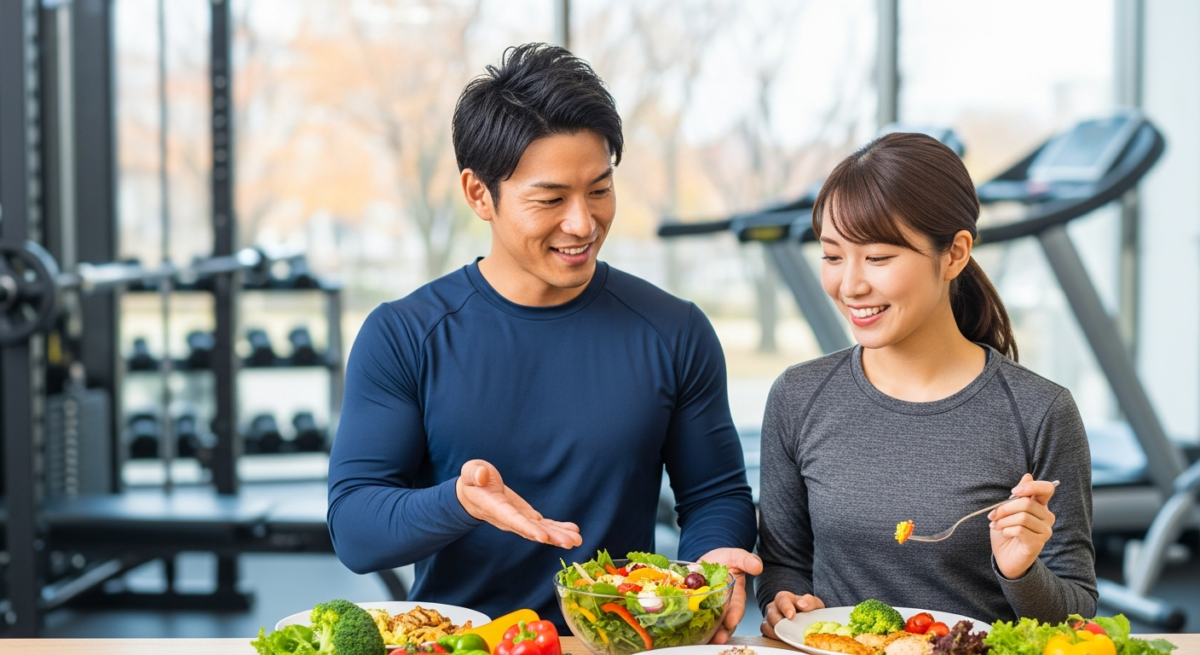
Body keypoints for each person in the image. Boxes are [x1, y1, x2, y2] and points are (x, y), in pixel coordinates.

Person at [327, 43, 759, 638]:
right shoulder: (403, 335)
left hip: (616, 643)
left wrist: (713, 560)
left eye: (599, 189)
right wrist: (460, 502)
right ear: (479, 194)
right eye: (550, 199)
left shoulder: (673, 330)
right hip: (463, 646)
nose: (583, 223)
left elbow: (714, 494)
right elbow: (355, 529)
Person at [755, 132, 1097, 636]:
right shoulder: (797, 396)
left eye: (877, 258)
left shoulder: (1040, 412)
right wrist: (783, 599)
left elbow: (1078, 615)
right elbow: (783, 563)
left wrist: (1020, 571)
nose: (850, 285)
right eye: (832, 256)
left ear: (955, 254)